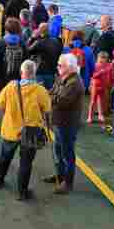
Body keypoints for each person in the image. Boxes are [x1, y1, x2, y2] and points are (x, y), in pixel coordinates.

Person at [0, 60, 52, 200]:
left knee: (5, 156)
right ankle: (22, 192)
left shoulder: (10, 87)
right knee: (26, 163)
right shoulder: (40, 90)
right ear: (34, 74)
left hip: (10, 129)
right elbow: (47, 110)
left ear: (21, 72)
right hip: (31, 132)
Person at [44, 53, 85, 194]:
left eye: (60, 65)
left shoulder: (74, 83)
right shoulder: (62, 78)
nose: (58, 67)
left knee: (67, 154)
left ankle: (67, 183)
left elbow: (61, 101)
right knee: (58, 151)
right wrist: (50, 95)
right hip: (58, 122)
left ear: (69, 67)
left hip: (67, 124)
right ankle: (60, 175)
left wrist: (48, 96)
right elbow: (54, 93)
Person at [0, 18, 28, 91]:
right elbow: (26, 59)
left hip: (2, 78)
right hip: (18, 78)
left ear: (6, 29)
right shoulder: (22, 43)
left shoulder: (1, 42)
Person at [27, 23, 62, 90]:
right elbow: (59, 53)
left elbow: (28, 50)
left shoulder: (38, 42)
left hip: (40, 72)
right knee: (50, 95)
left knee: (38, 95)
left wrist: (32, 38)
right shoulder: (56, 42)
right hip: (51, 72)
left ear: (39, 31)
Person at [88, 51, 113, 124]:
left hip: (103, 85)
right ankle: (90, 116)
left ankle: (100, 114)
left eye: (105, 58)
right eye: (101, 58)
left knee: (100, 101)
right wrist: (100, 72)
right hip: (95, 85)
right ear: (98, 58)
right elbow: (93, 76)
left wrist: (111, 82)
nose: (103, 60)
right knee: (92, 101)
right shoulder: (96, 65)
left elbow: (110, 75)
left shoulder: (108, 66)